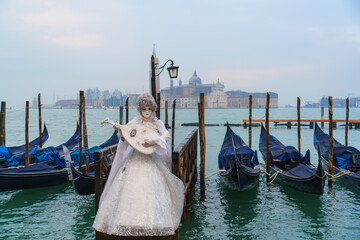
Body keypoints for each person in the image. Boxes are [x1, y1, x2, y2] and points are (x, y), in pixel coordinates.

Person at [93, 93, 185, 237]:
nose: (146, 112)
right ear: (140, 110)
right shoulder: (135, 121)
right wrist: (119, 132)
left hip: (151, 160)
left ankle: (154, 223)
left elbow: (166, 135)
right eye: (143, 109)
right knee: (129, 188)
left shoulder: (157, 123)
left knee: (152, 189)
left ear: (153, 109)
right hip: (135, 158)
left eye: (149, 109)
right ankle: (127, 222)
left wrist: (154, 141)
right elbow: (125, 134)